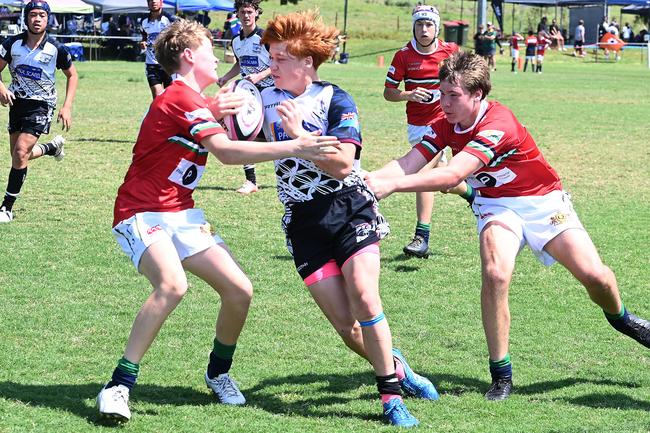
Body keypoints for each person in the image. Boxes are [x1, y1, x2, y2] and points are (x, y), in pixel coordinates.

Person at [365, 51, 650, 402]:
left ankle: (621, 318)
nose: (445, 103)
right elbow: (409, 163)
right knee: (496, 273)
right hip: (496, 205)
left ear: (477, 95)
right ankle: (501, 374)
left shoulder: (500, 123)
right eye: (442, 93)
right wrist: (368, 180)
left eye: (453, 96)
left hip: (542, 200)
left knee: (597, 277)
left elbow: (452, 174)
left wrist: (390, 186)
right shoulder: (443, 124)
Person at [95, 18, 341, 423]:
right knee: (172, 285)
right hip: (140, 210)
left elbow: (211, 120)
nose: (219, 54)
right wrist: (295, 145)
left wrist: (221, 106)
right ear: (190, 56)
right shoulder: (179, 97)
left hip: (182, 212)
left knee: (240, 290)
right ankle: (118, 385)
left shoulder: (195, 100)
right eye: (210, 48)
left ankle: (218, 372)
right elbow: (226, 153)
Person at [260, 10, 440, 427]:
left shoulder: (333, 98)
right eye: (270, 58)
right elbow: (234, 137)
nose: (272, 66)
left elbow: (343, 164)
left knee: (364, 294)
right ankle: (398, 366)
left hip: (348, 207)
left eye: (281, 58)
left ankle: (391, 399)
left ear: (307, 62)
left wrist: (300, 137)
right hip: (303, 223)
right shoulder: (263, 98)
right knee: (347, 328)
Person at [384, 5, 473, 259]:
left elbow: (471, 81)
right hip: (417, 125)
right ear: (414, 26)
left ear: (437, 27)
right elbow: (388, 92)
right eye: (420, 24)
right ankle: (472, 193)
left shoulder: (451, 53)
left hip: (445, 122)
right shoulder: (403, 56)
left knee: (423, 173)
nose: (424, 29)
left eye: (429, 25)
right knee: (442, 181)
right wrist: (408, 94)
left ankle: (421, 236)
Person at [0, 1, 77, 224]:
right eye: (33, 15)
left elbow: (72, 75)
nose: (37, 19)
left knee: (21, 152)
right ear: (26, 18)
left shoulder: (56, 49)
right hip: (17, 103)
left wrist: (67, 106)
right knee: (17, 155)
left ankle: (7, 207)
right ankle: (51, 147)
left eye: (42, 15)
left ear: (47, 19)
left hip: (42, 105)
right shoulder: (12, 44)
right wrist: (2, 88)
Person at [218, 0, 273, 196]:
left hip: (270, 92)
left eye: (250, 11)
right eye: (243, 12)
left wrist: (260, 76)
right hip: (247, 94)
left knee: (275, 136)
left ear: (257, 13)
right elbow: (240, 64)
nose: (247, 15)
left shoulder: (266, 37)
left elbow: (278, 63)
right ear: (238, 15)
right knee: (242, 135)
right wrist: (226, 77)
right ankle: (251, 181)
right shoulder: (236, 41)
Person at [140, 0, 176, 99]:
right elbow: (144, 35)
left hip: (167, 64)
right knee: (157, 96)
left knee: (170, 97)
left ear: (161, 2)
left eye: (156, 0)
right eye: (151, 0)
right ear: (148, 3)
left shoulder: (170, 19)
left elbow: (179, 35)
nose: (153, 2)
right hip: (151, 64)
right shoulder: (143, 21)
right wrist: (143, 42)